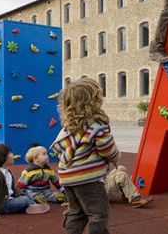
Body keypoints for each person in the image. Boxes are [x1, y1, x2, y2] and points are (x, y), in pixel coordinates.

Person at [50, 77, 121, 234]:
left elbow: (59, 149)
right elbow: (107, 148)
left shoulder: (68, 127)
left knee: (76, 213)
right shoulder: (97, 126)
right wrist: (116, 158)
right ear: (94, 101)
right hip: (87, 178)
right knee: (98, 213)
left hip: (67, 176)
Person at [0, 143, 49, 219]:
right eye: (10, 153)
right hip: (2, 205)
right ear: (2, 158)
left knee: (25, 192)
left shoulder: (7, 172)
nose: (13, 154)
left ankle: (32, 205)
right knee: (25, 200)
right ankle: (30, 205)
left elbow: (13, 188)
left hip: (10, 199)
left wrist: (20, 194)